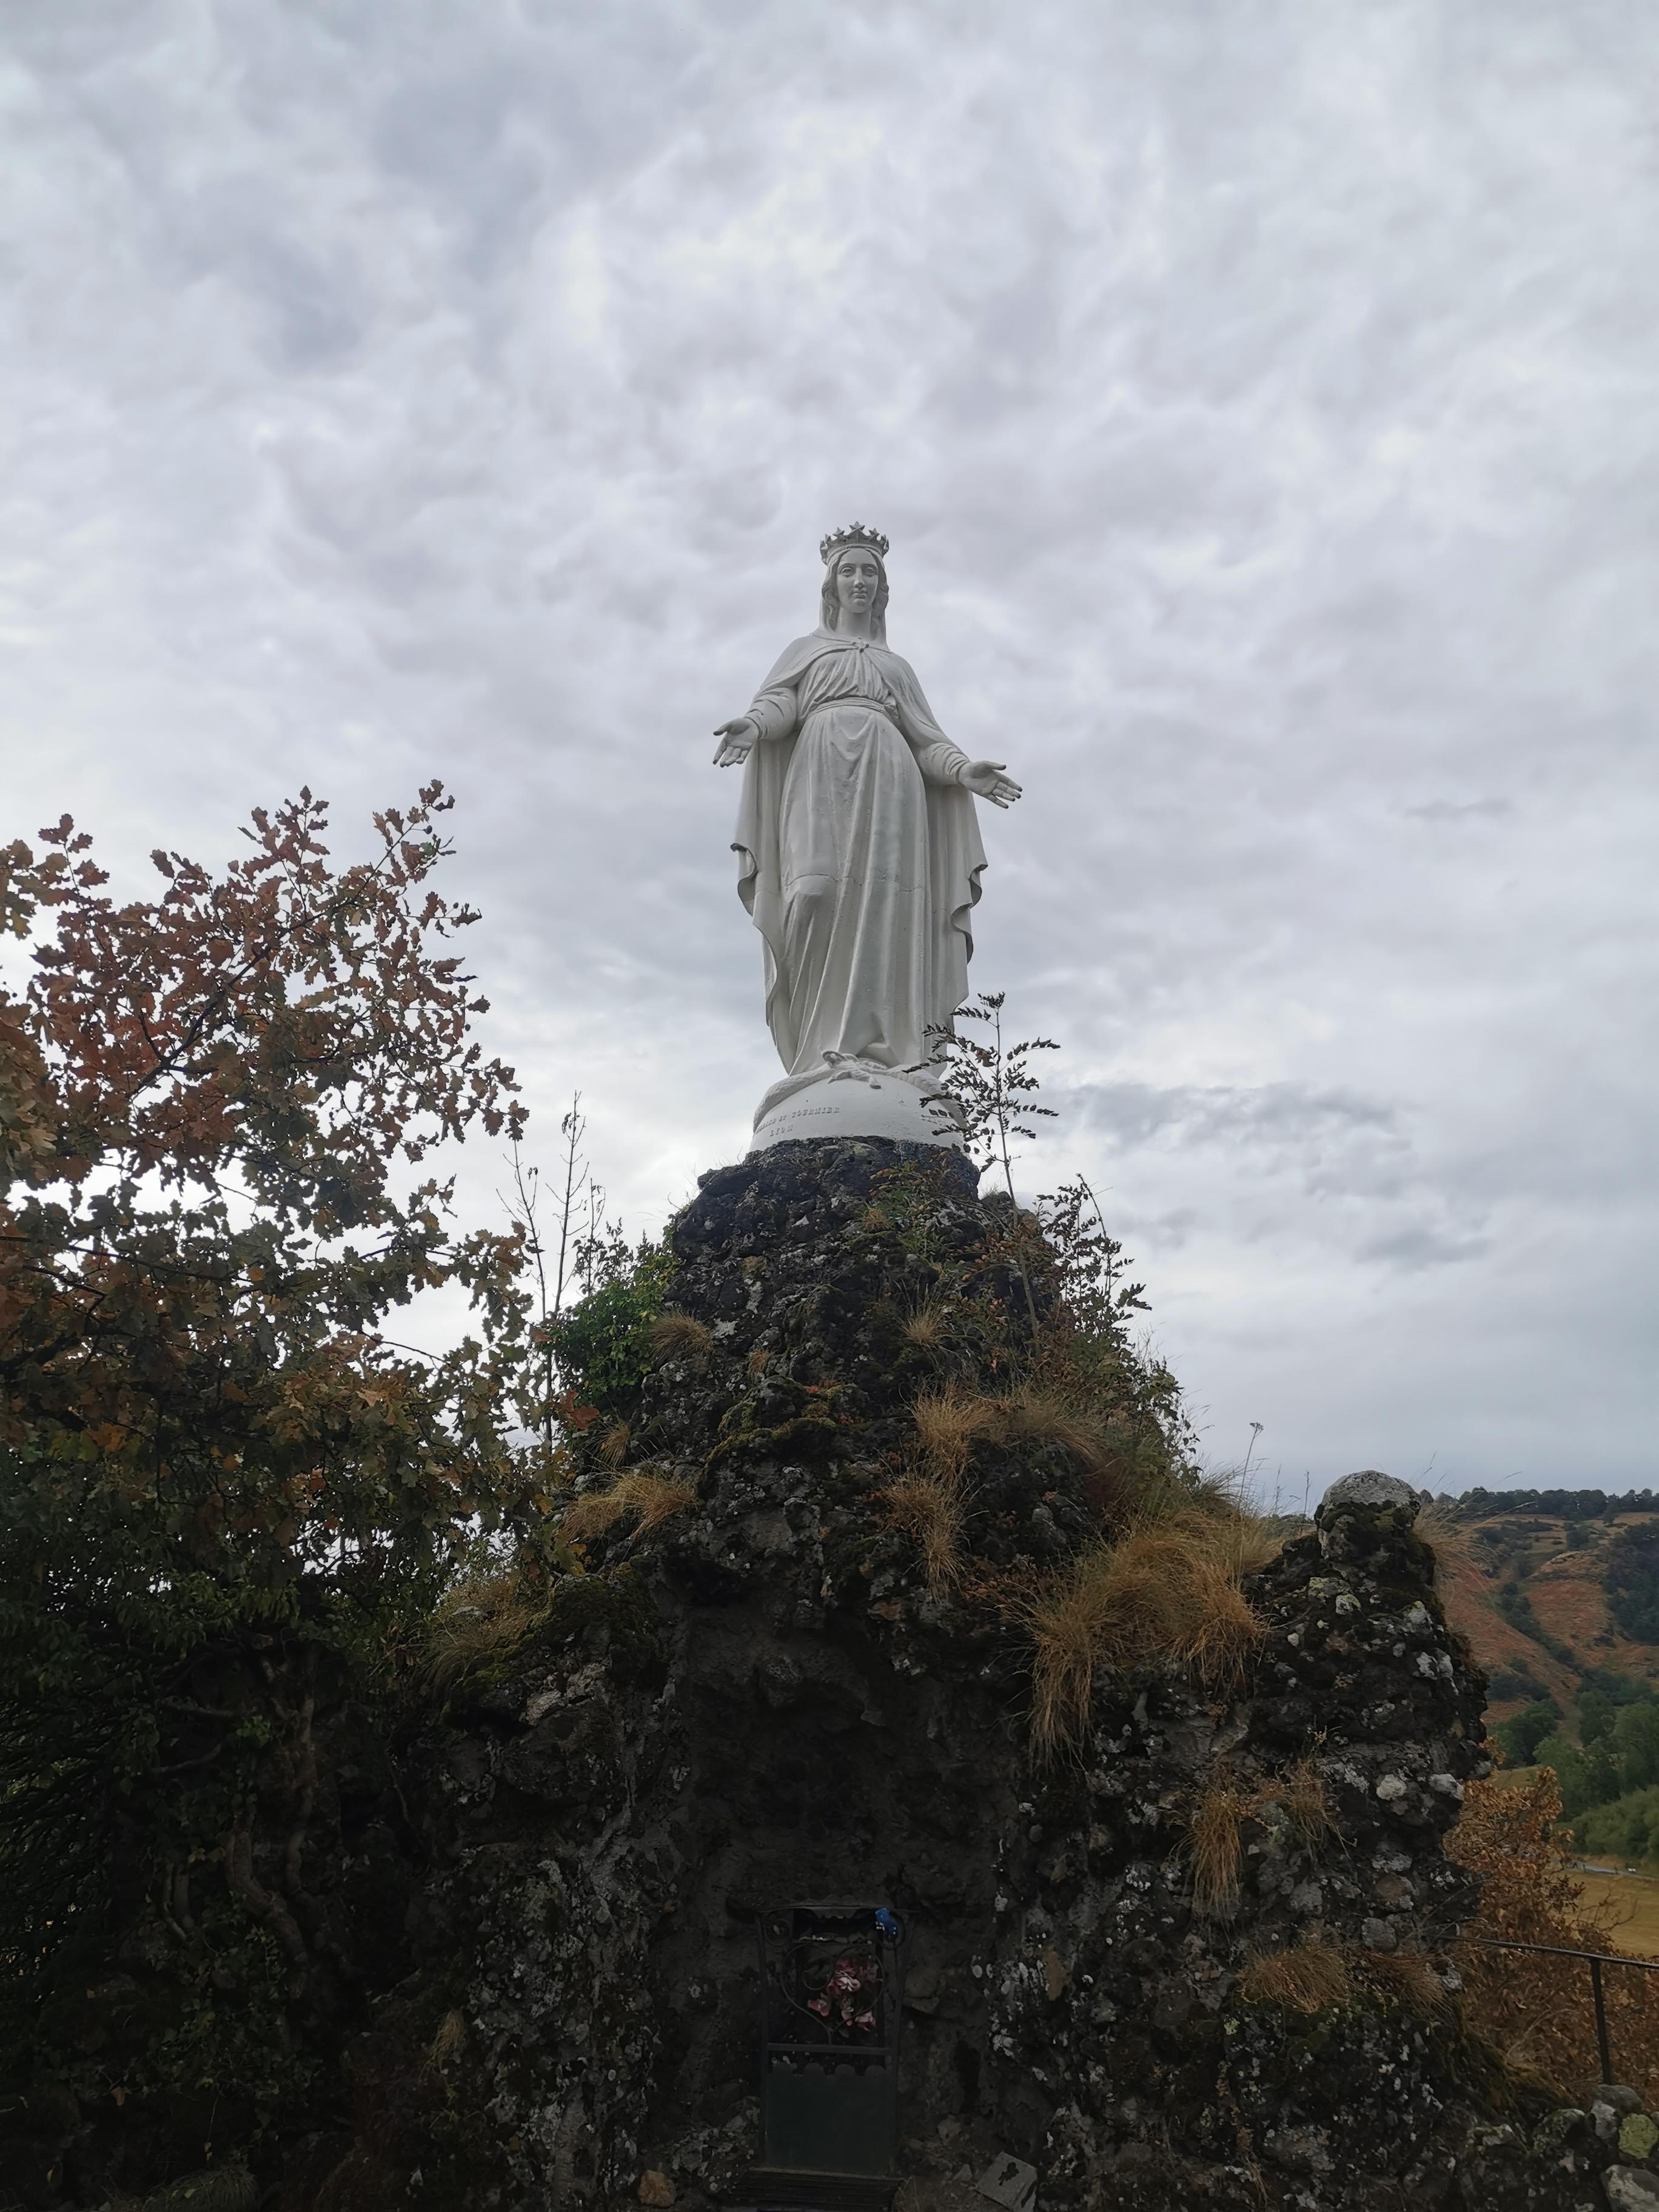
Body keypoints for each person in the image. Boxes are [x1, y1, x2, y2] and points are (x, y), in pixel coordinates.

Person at [713, 525, 1021, 1120]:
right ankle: (818, 1052)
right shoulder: (805, 650)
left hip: (890, 785)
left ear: (883, 587)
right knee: (812, 892)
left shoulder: (895, 667)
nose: (859, 581)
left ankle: (889, 1052)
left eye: (870, 572)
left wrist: (964, 771)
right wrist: (752, 725)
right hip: (819, 774)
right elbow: (781, 704)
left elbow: (926, 741)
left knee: (886, 905)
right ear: (831, 583)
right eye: (849, 571)